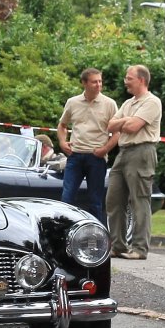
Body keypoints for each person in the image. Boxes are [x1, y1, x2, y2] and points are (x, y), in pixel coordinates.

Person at [104, 64, 162, 260]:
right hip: (123, 153)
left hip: (142, 152)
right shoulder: (128, 103)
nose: (125, 82)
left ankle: (139, 248)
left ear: (141, 80)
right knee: (113, 199)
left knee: (139, 200)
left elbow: (133, 127)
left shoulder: (152, 102)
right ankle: (117, 245)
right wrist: (125, 121)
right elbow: (110, 125)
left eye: (129, 78)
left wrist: (124, 122)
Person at [57, 68, 118, 218]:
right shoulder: (72, 102)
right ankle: (65, 228)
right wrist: (62, 142)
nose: (98, 85)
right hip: (75, 156)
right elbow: (62, 125)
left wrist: (105, 149)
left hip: (96, 158)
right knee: (66, 198)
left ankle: (96, 231)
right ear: (84, 83)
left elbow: (118, 132)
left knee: (95, 201)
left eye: (100, 81)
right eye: (94, 82)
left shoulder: (109, 104)